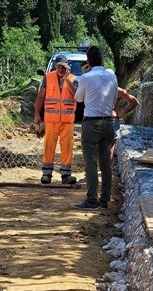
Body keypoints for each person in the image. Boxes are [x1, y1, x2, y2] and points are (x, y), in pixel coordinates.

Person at [73, 46, 118, 209]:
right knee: (105, 162)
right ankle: (104, 199)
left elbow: (78, 98)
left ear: (88, 62)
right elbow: (113, 99)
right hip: (108, 122)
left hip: (91, 123)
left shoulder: (86, 77)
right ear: (102, 60)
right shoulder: (112, 77)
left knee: (91, 162)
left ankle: (91, 199)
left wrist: (84, 75)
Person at [34, 55, 78, 185]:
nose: (60, 69)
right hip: (51, 120)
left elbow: (77, 95)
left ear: (67, 67)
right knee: (49, 146)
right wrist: (37, 115)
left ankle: (66, 175)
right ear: (55, 66)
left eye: (63, 67)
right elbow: (40, 97)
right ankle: (46, 174)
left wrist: (66, 80)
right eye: (58, 66)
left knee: (67, 148)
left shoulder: (73, 79)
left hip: (67, 121)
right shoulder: (48, 78)